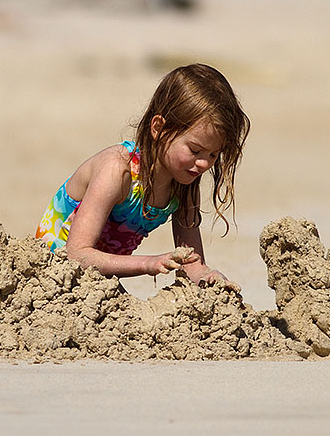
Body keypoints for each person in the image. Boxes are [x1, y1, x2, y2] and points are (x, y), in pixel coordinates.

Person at [35, 63, 250, 288]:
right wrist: (149, 263)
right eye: (195, 150)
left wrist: (208, 277)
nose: (204, 163)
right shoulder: (117, 171)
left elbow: (192, 264)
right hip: (50, 276)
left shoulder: (183, 183)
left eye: (214, 154)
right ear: (158, 128)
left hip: (96, 285)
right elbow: (77, 255)